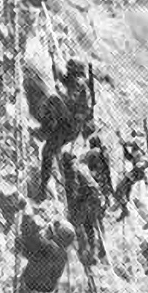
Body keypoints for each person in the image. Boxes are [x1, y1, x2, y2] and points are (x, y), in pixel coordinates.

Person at [37, 57, 94, 201]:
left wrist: (60, 92)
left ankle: (43, 189)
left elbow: (70, 100)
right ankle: (43, 188)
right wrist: (52, 59)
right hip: (68, 123)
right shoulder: (75, 80)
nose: (68, 74)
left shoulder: (79, 85)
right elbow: (61, 77)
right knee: (48, 150)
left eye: (70, 71)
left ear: (75, 72)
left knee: (53, 100)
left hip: (71, 125)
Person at [61, 151, 105, 264]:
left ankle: (85, 253)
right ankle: (94, 253)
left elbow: (74, 189)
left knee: (78, 225)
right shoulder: (82, 166)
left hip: (87, 200)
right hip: (96, 199)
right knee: (89, 227)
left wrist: (71, 205)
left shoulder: (73, 170)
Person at [113, 130, 148, 221]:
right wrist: (123, 145)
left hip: (137, 175)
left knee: (120, 188)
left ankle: (124, 209)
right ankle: (123, 208)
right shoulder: (135, 149)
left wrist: (140, 165)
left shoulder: (140, 151)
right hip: (134, 174)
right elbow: (128, 157)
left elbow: (146, 162)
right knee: (123, 190)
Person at [83, 135, 114, 208]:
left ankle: (104, 202)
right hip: (102, 171)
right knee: (105, 186)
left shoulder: (89, 153)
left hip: (94, 173)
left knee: (100, 186)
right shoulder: (101, 150)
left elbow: (84, 161)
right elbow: (107, 161)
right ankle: (106, 202)